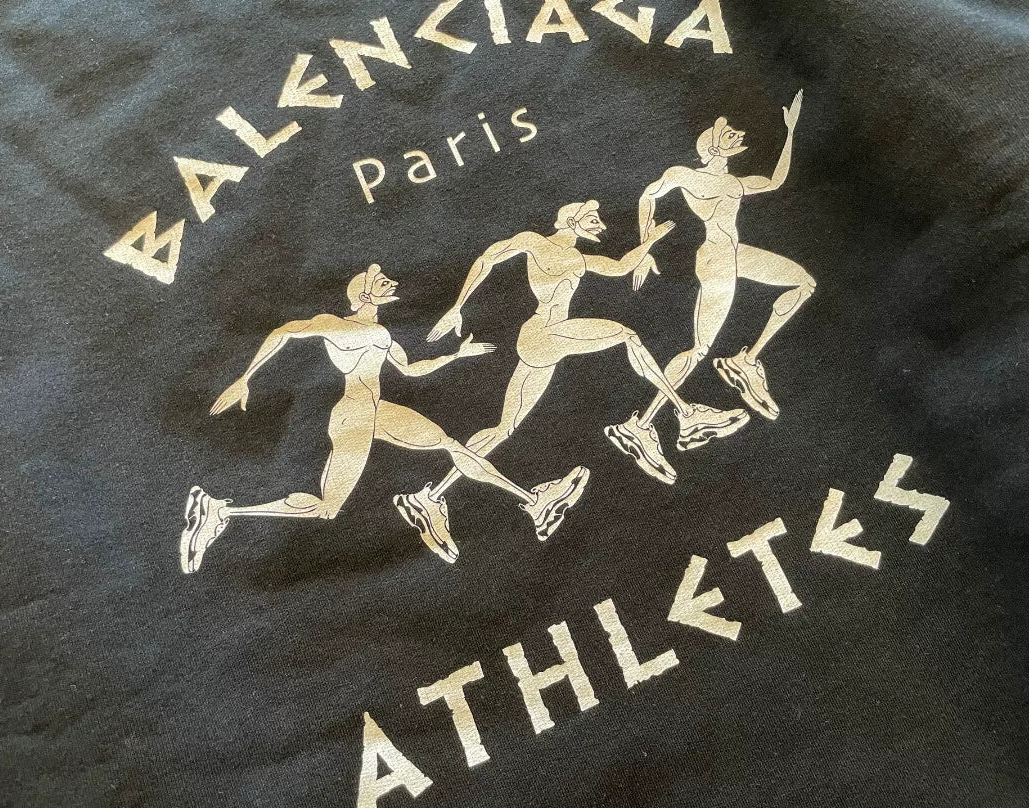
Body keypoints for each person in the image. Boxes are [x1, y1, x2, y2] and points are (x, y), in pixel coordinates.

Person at [179, 265, 590, 571]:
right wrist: (245, 378)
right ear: (363, 295)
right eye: (380, 282)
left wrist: (455, 355)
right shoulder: (334, 325)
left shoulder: (384, 335)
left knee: (450, 444)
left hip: (377, 412)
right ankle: (221, 512)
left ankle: (532, 500)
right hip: (354, 415)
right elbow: (285, 331)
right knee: (327, 508)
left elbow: (410, 370)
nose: (390, 283)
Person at [422, 201, 748, 502]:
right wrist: (457, 307)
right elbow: (487, 258)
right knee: (627, 335)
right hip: (544, 333)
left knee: (504, 428)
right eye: (592, 220)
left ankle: (432, 495)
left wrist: (649, 241)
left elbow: (619, 267)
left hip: (544, 341)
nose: (600, 226)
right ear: (571, 221)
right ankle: (684, 415)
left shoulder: (580, 258)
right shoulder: (534, 242)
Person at [633, 90, 813, 425]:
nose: (738, 135)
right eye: (729, 135)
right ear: (714, 148)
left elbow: (774, 182)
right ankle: (643, 423)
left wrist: (790, 132)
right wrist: (645, 246)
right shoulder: (685, 175)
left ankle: (747, 360)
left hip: (733, 254)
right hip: (716, 260)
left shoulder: (733, 182)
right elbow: (648, 195)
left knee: (804, 283)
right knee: (700, 349)